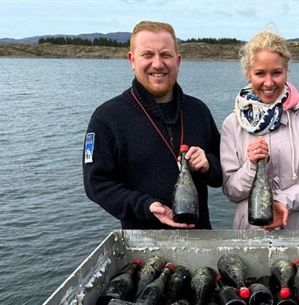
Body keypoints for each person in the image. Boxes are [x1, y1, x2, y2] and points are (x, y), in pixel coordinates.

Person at [83, 21, 222, 230]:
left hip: (201, 240)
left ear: (178, 61)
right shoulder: (106, 118)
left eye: (166, 55)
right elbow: (96, 184)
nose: (157, 64)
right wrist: (144, 206)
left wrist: (208, 165)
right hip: (142, 244)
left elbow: (223, 172)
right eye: (147, 55)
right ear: (132, 60)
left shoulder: (198, 111)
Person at [220, 29, 299, 231]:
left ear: (287, 71)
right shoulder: (232, 123)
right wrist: (252, 167)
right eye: (260, 73)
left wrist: (283, 201)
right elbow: (230, 191)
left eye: (277, 73)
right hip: (249, 231)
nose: (269, 82)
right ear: (248, 73)